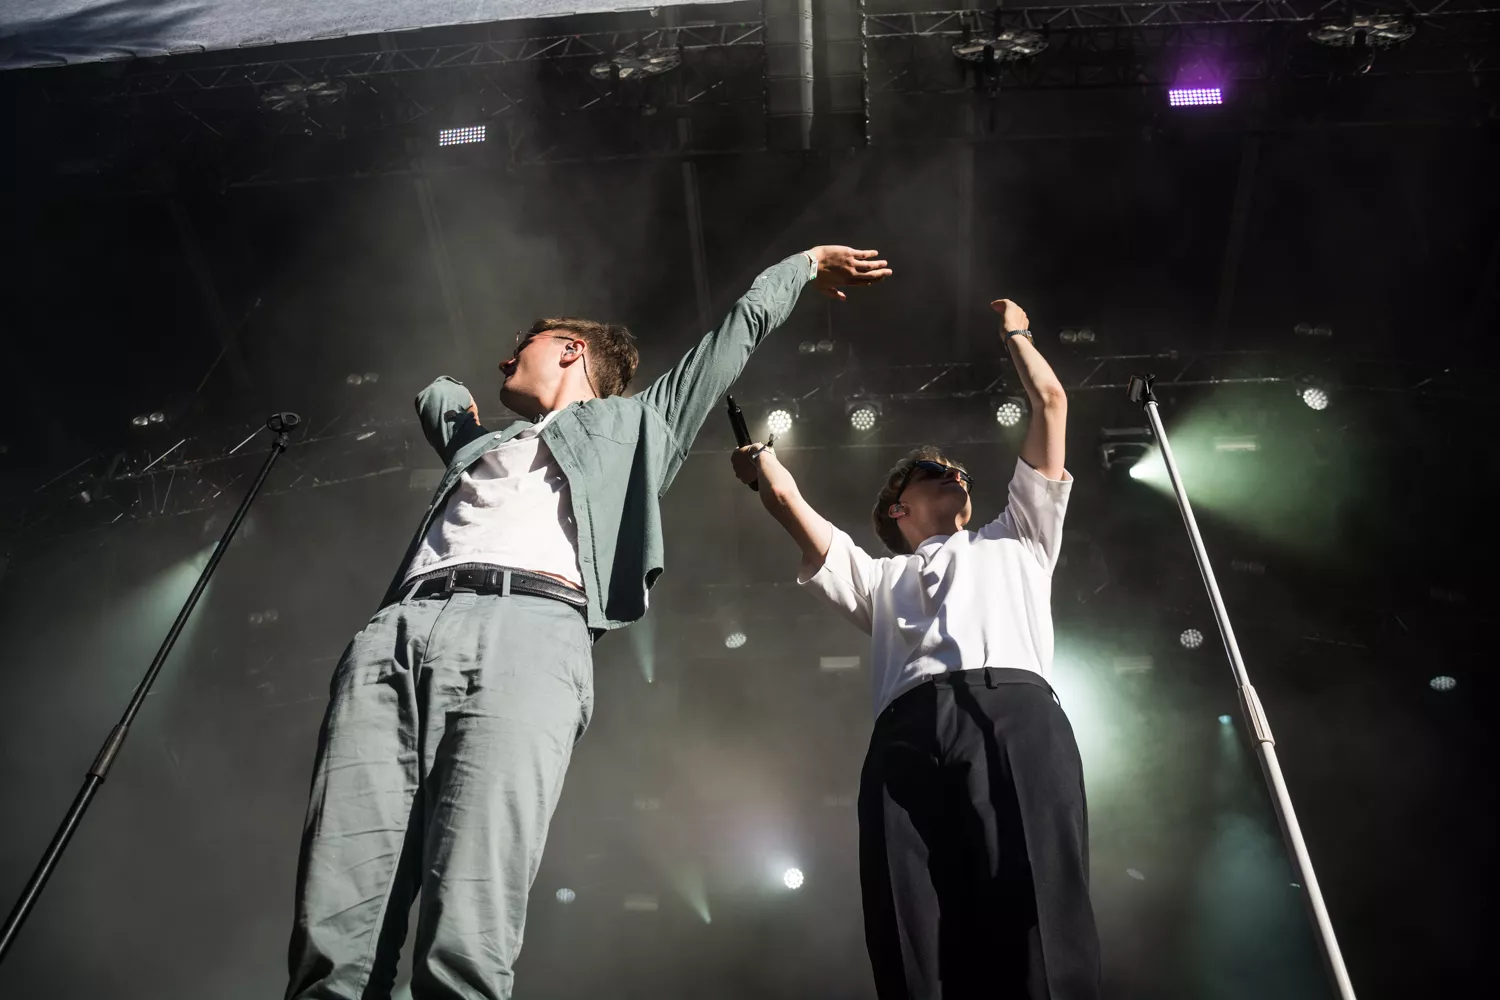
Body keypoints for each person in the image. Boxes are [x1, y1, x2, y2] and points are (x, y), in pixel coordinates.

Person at [285, 245, 892, 1000]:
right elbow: (435, 395)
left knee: (469, 916)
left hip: (530, 633)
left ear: (572, 349)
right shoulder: (483, 445)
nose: (506, 356)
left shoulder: (641, 423)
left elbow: (737, 330)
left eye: (525, 343)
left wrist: (801, 265)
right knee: (337, 916)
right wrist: (477, 406)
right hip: (399, 631)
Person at [730, 298, 1099, 1000]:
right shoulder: (876, 577)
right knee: (910, 919)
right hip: (905, 727)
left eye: (958, 471)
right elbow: (788, 505)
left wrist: (1019, 335)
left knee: (1036, 897)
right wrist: (761, 463)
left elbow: (1051, 402)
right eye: (931, 468)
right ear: (897, 508)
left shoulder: (1019, 535)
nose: (952, 471)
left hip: (1012, 709)